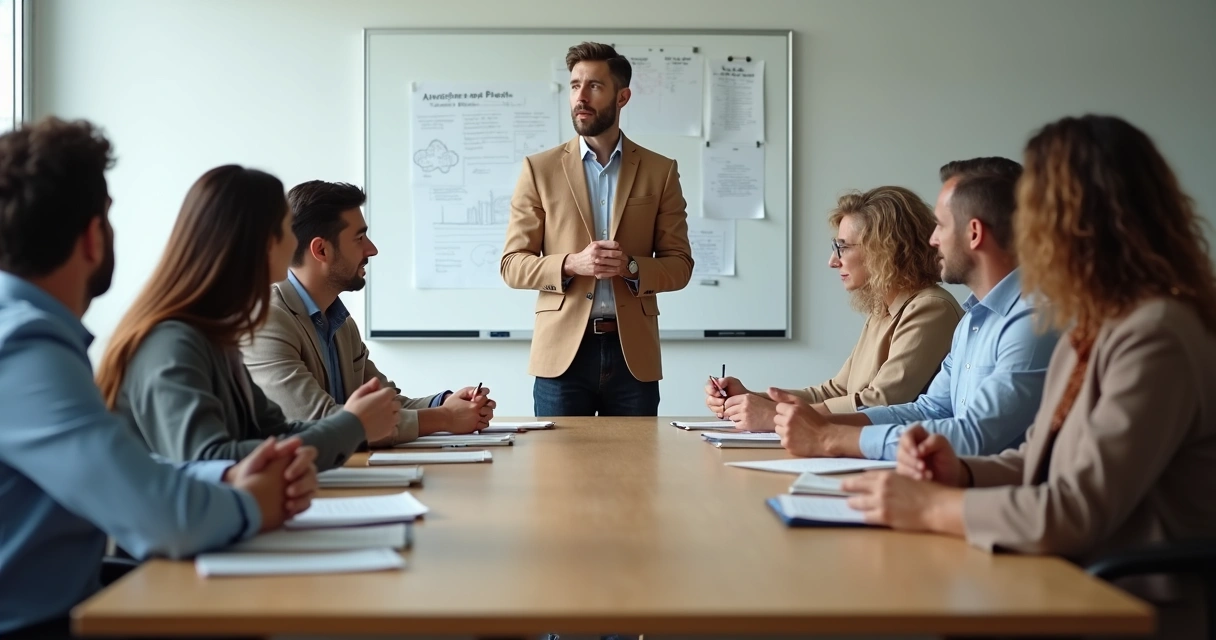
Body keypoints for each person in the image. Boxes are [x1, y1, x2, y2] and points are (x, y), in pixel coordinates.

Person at [839, 114, 1216, 639]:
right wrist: (962, 473)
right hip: (1064, 578)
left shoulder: (1156, 335)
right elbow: (1043, 457)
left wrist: (934, 507)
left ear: (1073, 221)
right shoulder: (1096, 324)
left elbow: (1074, 509)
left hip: (1122, 603)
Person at [0, 117, 317, 638]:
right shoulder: (24, 346)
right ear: (92, 238)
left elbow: (125, 468)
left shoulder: (27, 334)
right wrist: (250, 503)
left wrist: (224, 477)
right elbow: (163, 517)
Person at [95, 166, 400, 471]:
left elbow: (275, 433)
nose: (296, 244)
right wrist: (353, 426)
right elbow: (211, 461)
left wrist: (353, 424)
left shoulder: (216, 336)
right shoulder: (172, 342)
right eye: (287, 230)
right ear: (264, 244)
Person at [769, 158, 1058, 460]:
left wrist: (832, 437)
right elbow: (930, 409)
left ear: (974, 233)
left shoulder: (1032, 321)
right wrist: (820, 422)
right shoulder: (974, 319)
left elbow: (973, 435)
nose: (932, 240)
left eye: (941, 226)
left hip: (992, 497)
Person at [501, 41, 694, 417]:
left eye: (594, 86)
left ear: (622, 97)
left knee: (635, 474)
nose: (581, 97)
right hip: (561, 358)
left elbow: (680, 265)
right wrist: (572, 264)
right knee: (557, 475)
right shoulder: (539, 170)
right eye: (575, 86)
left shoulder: (660, 171)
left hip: (632, 357)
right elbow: (512, 264)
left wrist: (631, 268)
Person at [243, 180, 495, 444]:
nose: (371, 249)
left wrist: (445, 403)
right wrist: (444, 418)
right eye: (359, 238)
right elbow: (318, 421)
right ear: (321, 250)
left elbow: (386, 405)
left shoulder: (340, 321)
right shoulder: (267, 320)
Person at [704, 186, 963, 430]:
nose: (832, 261)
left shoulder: (931, 309)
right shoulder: (882, 310)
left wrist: (774, 416)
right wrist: (749, 398)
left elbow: (881, 402)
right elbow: (836, 392)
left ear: (884, 250)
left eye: (842, 247)